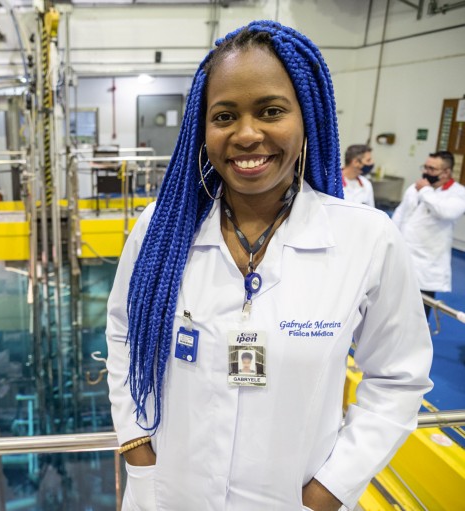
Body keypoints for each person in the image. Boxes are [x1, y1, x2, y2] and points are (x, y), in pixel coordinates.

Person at [106, 21, 433, 511]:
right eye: (224, 116)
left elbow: (397, 378)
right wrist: (137, 450)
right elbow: (123, 332)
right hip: (167, 496)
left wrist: (330, 490)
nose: (247, 134)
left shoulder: (365, 239)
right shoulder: (160, 230)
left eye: (271, 111)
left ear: (308, 120)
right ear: (204, 128)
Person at [392, 150, 465, 317]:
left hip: (427, 262)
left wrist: (425, 191)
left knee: (419, 313)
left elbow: (446, 212)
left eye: (432, 169)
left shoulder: (458, 193)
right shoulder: (414, 188)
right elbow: (400, 214)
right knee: (395, 306)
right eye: (425, 167)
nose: (426, 172)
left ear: (446, 172)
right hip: (403, 254)